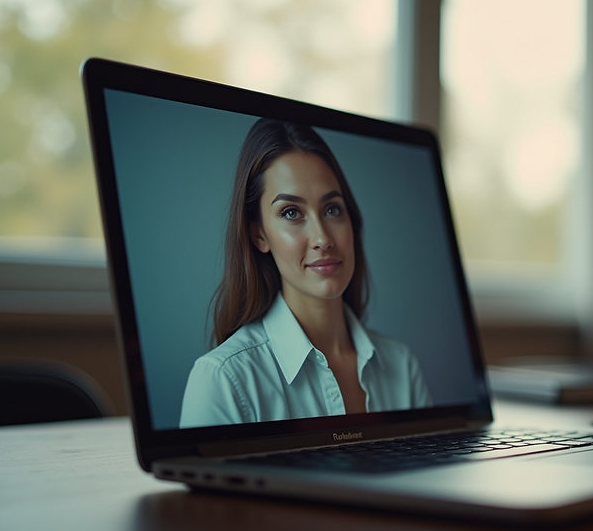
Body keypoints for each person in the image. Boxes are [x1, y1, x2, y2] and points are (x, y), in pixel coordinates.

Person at [179, 119, 432, 427]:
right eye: (291, 213)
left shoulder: (401, 366)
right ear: (259, 234)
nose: (323, 238)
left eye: (332, 209)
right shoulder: (223, 381)